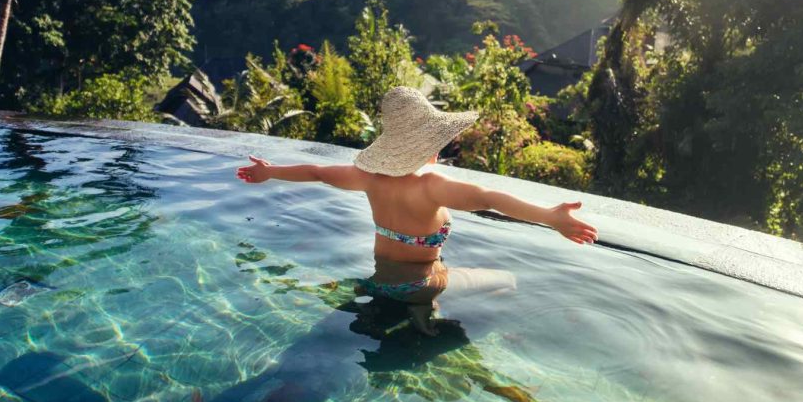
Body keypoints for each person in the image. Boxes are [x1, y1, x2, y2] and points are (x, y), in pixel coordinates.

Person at [236, 86, 599, 334]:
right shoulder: (431, 185)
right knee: (508, 281)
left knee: (433, 275)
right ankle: (428, 316)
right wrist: (550, 217)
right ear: (429, 145)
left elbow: (317, 172)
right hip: (419, 285)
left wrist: (270, 172)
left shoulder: (368, 177)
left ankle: (419, 312)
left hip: (379, 282)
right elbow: (490, 198)